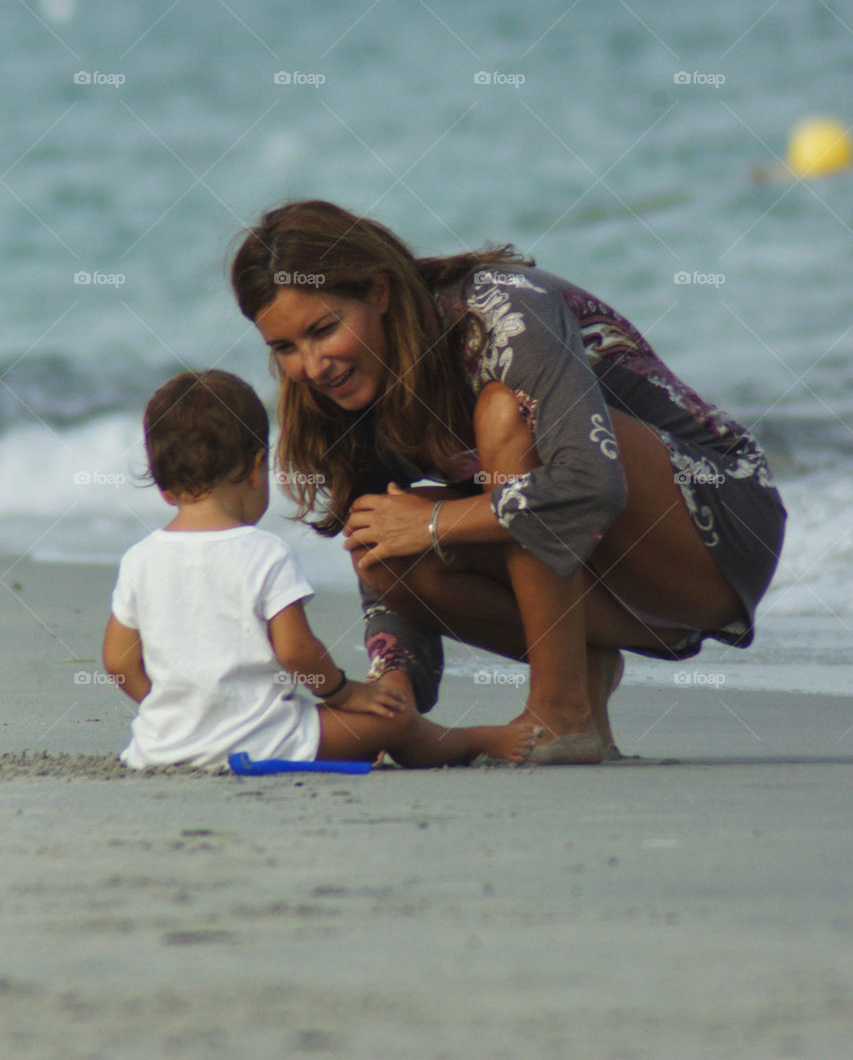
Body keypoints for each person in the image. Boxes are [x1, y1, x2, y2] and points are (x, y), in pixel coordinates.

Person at [230, 201, 787, 765]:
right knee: (379, 547)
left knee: (506, 418)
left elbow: (590, 483)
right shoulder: (345, 387)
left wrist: (434, 521)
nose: (313, 366)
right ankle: (581, 671)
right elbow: (387, 538)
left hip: (719, 523)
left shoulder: (503, 308)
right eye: (284, 348)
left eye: (324, 330)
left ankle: (560, 710)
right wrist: (392, 693)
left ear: (378, 292)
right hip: (619, 584)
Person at [101, 369, 540, 770]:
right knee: (392, 719)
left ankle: (460, 739)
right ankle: (468, 741)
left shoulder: (140, 558)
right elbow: (296, 652)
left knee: (367, 716)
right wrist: (346, 693)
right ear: (257, 469)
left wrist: (176, 709)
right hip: (266, 740)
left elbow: (118, 661)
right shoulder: (262, 552)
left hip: (162, 746)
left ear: (161, 488)